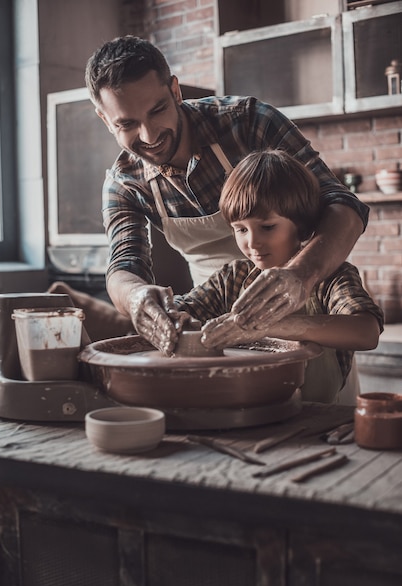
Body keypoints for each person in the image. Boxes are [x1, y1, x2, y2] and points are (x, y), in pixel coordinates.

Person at [85, 35, 370, 356]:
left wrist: (301, 276)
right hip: (222, 324)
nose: (148, 135)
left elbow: (343, 205)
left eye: (158, 110)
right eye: (127, 124)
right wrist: (137, 298)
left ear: (175, 91)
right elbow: (125, 264)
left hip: (308, 299)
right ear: (105, 119)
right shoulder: (124, 182)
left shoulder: (248, 123)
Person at [172, 149, 383, 403]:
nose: (252, 243)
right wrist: (169, 315)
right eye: (240, 230)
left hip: (323, 420)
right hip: (253, 413)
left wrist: (267, 327)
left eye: (267, 227)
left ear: (301, 225)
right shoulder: (233, 278)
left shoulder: (332, 277)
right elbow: (183, 310)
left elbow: (367, 332)